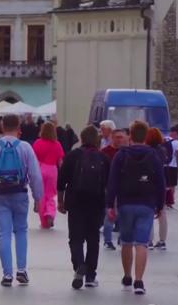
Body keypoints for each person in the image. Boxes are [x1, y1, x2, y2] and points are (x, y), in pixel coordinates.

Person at [0, 114, 43, 287]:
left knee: (4, 234)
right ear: (19, 127)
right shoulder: (25, 147)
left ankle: (7, 274)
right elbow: (35, 175)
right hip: (20, 194)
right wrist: (38, 197)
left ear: (1, 126)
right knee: (21, 231)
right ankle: (21, 270)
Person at [106, 120, 165, 295]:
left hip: (126, 203)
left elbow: (112, 181)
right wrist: (160, 205)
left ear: (130, 135)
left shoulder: (121, 155)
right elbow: (161, 182)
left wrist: (110, 204)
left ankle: (127, 276)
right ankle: (139, 281)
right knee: (142, 243)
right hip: (146, 203)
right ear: (146, 136)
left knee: (126, 241)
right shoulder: (153, 155)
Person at [57, 126, 110, 289]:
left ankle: (79, 265)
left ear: (81, 138)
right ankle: (90, 276)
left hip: (75, 202)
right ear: (97, 140)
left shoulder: (72, 156)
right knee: (93, 239)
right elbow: (109, 184)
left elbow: (61, 181)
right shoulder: (104, 158)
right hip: (96, 202)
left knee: (76, 238)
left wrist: (61, 201)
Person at [100, 128, 129, 250]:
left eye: (121, 137)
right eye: (117, 137)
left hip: (125, 188)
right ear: (112, 138)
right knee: (110, 215)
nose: (119, 140)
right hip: (110, 187)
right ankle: (108, 240)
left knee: (124, 215)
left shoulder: (128, 152)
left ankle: (122, 238)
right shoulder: (105, 152)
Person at [32, 122, 64, 229]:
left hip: (40, 169)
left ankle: (44, 222)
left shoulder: (37, 143)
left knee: (41, 195)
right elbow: (60, 161)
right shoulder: (57, 144)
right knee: (51, 195)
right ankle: (50, 213)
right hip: (52, 169)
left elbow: (33, 159)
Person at [146, 127, 172, 250]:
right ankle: (162, 241)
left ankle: (149, 240)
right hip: (162, 182)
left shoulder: (148, 151)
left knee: (149, 212)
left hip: (150, 183)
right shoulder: (162, 150)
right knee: (162, 212)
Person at [163, 124, 178, 210]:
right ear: (175, 133)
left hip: (163, 165)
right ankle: (169, 202)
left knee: (164, 184)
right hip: (172, 166)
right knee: (172, 185)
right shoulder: (176, 142)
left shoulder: (164, 139)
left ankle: (162, 200)